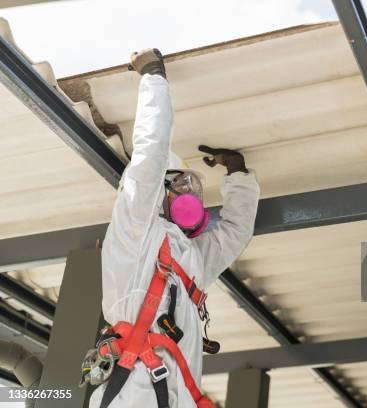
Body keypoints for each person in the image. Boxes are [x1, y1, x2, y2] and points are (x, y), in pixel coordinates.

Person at [87, 49, 260, 408]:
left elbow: (235, 233)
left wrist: (239, 175)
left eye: (191, 187)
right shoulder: (135, 230)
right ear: (157, 190)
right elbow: (150, 155)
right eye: (180, 185)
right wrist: (153, 78)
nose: (189, 195)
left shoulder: (189, 257)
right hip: (135, 394)